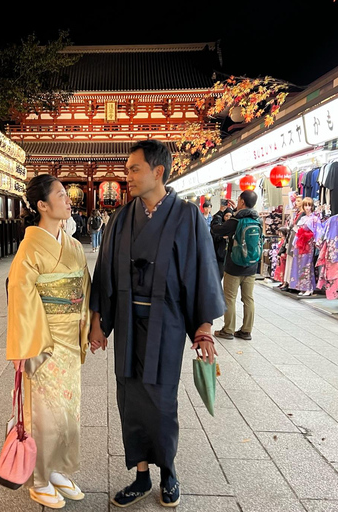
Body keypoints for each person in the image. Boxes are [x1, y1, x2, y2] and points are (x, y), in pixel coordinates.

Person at [89, 140, 224, 508]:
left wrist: (203, 327)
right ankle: (141, 475)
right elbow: (103, 271)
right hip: (128, 321)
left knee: (162, 401)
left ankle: (168, 473)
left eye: (134, 169)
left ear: (158, 171)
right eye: (128, 169)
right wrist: (98, 321)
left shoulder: (187, 215)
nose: (127, 176)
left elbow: (201, 271)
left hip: (166, 322)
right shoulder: (121, 218)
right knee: (129, 398)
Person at [6, 174, 92, 509]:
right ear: (42, 205)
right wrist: (31, 346)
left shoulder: (71, 245)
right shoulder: (30, 247)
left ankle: (59, 467)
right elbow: (21, 296)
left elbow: (82, 286)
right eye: (61, 194)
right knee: (44, 413)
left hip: (71, 338)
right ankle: (39, 478)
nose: (69, 199)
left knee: (69, 410)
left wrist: (87, 325)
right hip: (44, 341)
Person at [210, 190, 262, 341]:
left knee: (230, 298)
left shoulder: (236, 221)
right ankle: (246, 331)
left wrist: (220, 213)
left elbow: (216, 230)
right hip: (251, 266)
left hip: (234, 267)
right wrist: (233, 212)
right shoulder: (257, 220)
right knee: (248, 299)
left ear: (242, 202)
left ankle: (228, 330)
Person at [210, 199, 233, 279]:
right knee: (218, 276)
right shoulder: (220, 227)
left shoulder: (232, 227)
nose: (228, 218)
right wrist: (222, 237)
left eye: (230, 216)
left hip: (229, 257)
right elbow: (213, 233)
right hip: (219, 255)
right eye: (226, 216)